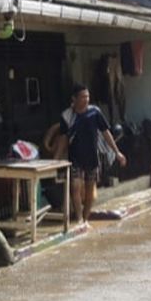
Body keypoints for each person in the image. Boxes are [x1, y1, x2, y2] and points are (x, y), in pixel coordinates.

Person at [60, 84, 126, 223]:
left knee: (90, 190)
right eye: (83, 97)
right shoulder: (67, 116)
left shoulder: (95, 112)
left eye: (88, 96)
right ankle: (78, 218)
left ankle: (85, 218)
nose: (86, 99)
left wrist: (117, 152)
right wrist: (56, 158)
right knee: (75, 187)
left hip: (92, 157)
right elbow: (64, 138)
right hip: (75, 158)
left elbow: (106, 132)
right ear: (74, 99)